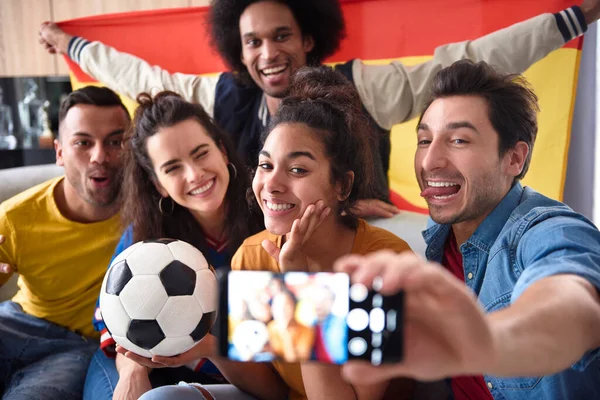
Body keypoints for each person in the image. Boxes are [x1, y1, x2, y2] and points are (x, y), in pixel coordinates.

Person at [38, 0, 600, 217]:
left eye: (281, 36)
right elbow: (143, 80)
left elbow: (473, 60)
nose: (268, 53)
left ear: (310, 39)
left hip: (356, 256)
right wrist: (72, 46)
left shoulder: (362, 88)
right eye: (253, 42)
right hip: (259, 265)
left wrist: (572, 19)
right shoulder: (226, 97)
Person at [129, 66, 415, 400]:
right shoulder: (252, 256)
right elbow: (274, 392)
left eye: (297, 169)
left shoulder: (383, 263)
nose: (272, 185)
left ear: (342, 185)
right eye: (266, 165)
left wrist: (299, 284)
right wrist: (208, 346)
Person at [333, 60, 600, 400]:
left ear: (514, 159)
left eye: (458, 140)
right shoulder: (442, 235)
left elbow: (575, 304)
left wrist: (491, 340)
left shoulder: (548, 230)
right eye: (425, 140)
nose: (430, 162)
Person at [84, 91, 264, 400]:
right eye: (172, 168)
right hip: (148, 365)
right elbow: (113, 320)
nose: (194, 175)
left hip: (237, 374)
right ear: (157, 184)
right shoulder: (145, 234)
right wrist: (133, 373)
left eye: (201, 153)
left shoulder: (268, 218)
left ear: (222, 151)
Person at [0, 86, 130, 399]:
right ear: (60, 152)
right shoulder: (15, 216)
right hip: (15, 323)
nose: (100, 156)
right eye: (83, 143)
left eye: (115, 142)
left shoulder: (149, 214)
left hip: (75, 348)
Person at [267, 289, 315, 363]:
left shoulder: (306, 329)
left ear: (294, 307)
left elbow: (295, 363)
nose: (282, 310)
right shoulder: (269, 328)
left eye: (286, 305)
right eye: (278, 306)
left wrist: (285, 333)